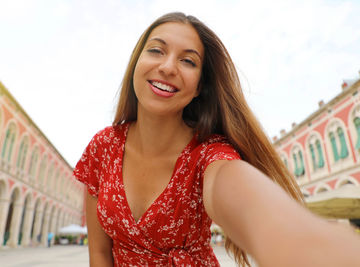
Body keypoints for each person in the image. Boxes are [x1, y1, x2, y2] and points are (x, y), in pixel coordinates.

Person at [73, 12, 360, 267]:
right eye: (156, 50)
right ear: (137, 62)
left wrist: (308, 245)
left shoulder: (209, 155)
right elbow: (99, 253)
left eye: (188, 61)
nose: (168, 67)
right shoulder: (103, 147)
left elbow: (249, 200)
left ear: (200, 87)